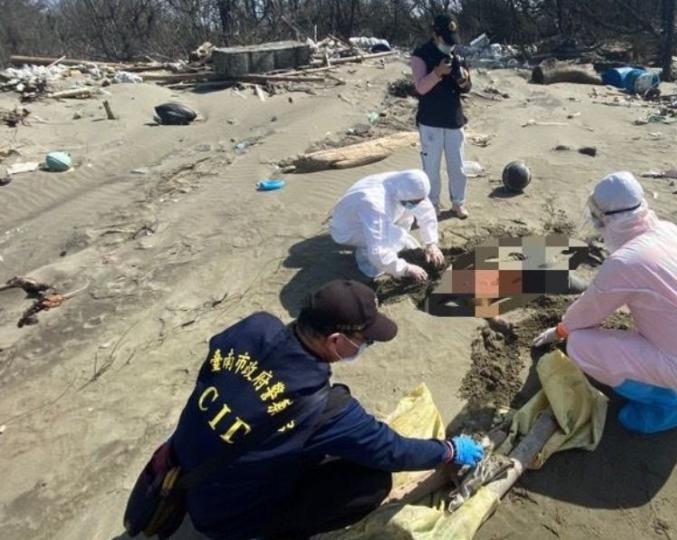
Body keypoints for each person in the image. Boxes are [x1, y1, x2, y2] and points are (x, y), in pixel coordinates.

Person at [167, 280, 484, 540]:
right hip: (226, 518)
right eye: (365, 341)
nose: (366, 347)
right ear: (335, 340)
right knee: (369, 486)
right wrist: (450, 450)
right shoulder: (325, 409)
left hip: (180, 468)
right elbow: (393, 451)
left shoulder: (254, 327)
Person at [532, 172, 677, 434]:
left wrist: (560, 331)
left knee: (581, 345)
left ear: (606, 218)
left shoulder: (626, 262)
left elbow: (587, 313)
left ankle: (665, 406)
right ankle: (661, 375)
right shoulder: (668, 230)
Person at [330, 169, 444, 282]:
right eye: (415, 201)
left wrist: (431, 243)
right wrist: (405, 269)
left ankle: (393, 254)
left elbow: (425, 211)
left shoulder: (404, 183)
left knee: (408, 215)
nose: (418, 203)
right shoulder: (374, 203)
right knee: (396, 238)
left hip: (368, 216)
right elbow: (378, 250)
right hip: (347, 229)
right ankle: (367, 258)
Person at [411, 13, 472, 219]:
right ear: (435, 35)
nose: (449, 45)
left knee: (458, 165)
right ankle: (432, 205)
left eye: (452, 40)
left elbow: (467, 88)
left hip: (454, 118)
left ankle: (458, 202)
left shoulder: (458, 54)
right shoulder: (421, 54)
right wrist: (437, 73)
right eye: (446, 40)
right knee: (431, 167)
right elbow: (419, 88)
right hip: (430, 119)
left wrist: (463, 80)